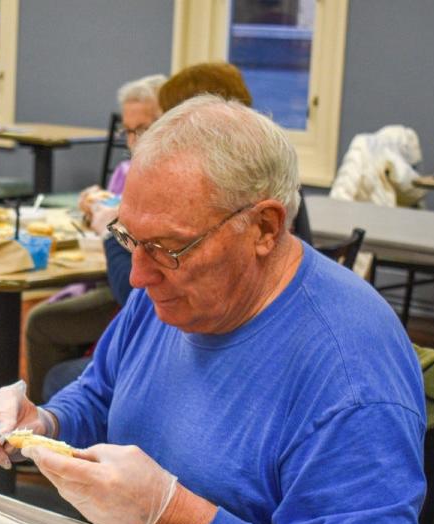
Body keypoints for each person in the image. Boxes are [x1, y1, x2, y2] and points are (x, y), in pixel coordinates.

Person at [0, 96, 426, 524]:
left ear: (263, 227)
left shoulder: (347, 365)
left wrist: (173, 514)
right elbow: (103, 390)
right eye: (130, 239)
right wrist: (46, 421)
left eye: (167, 249)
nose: (137, 274)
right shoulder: (165, 293)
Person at [30, 63, 262, 402]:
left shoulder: (212, 196)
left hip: (189, 346)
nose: (154, 138)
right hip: (178, 332)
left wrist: (113, 233)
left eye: (163, 122)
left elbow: (138, 292)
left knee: (68, 377)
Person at [24, 74, 165, 403]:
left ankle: (43, 429)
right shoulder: (127, 172)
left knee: (43, 323)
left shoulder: (163, 181)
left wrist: (110, 225)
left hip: (136, 292)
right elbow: (113, 228)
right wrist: (95, 211)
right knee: (49, 320)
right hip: (113, 281)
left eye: (144, 129)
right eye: (128, 131)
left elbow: (132, 260)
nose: (133, 141)